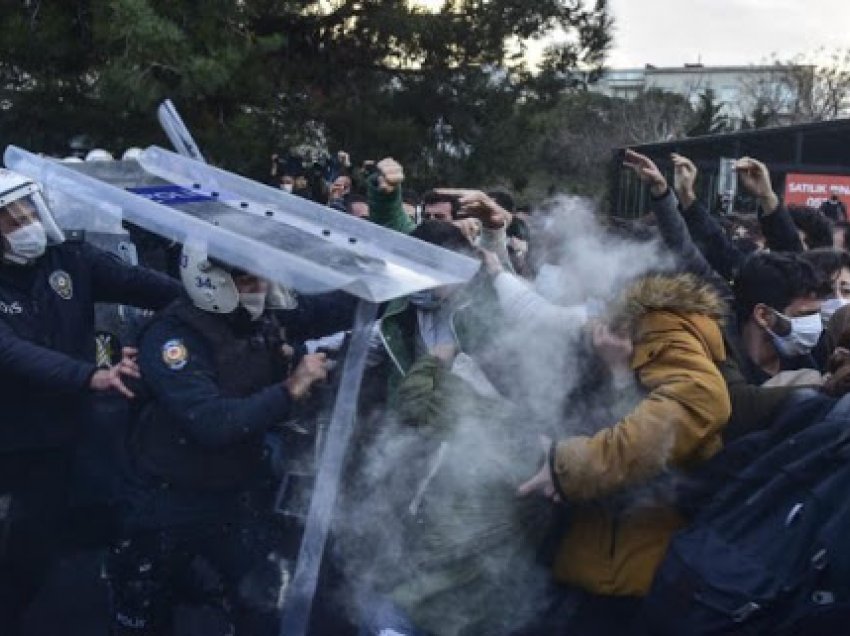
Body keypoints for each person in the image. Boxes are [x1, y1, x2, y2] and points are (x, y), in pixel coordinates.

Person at [108, 246, 329, 635]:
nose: (258, 288)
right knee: (144, 613)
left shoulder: (258, 320)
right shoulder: (174, 335)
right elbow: (211, 423)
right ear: (210, 280)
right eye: (245, 279)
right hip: (166, 501)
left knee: (257, 604)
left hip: (233, 495)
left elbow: (331, 309)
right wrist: (290, 388)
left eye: (261, 277)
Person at [0, 168, 182, 633]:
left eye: (26, 210)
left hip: (63, 431)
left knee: (52, 537)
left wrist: (206, 303)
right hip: (13, 430)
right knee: (24, 537)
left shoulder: (71, 259)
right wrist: (91, 376)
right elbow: (13, 352)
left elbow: (144, 285)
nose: (25, 224)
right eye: (10, 218)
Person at [519, 272, 732, 633]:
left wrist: (570, 465)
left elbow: (695, 403)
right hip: (591, 562)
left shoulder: (665, 331)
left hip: (638, 571)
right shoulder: (626, 337)